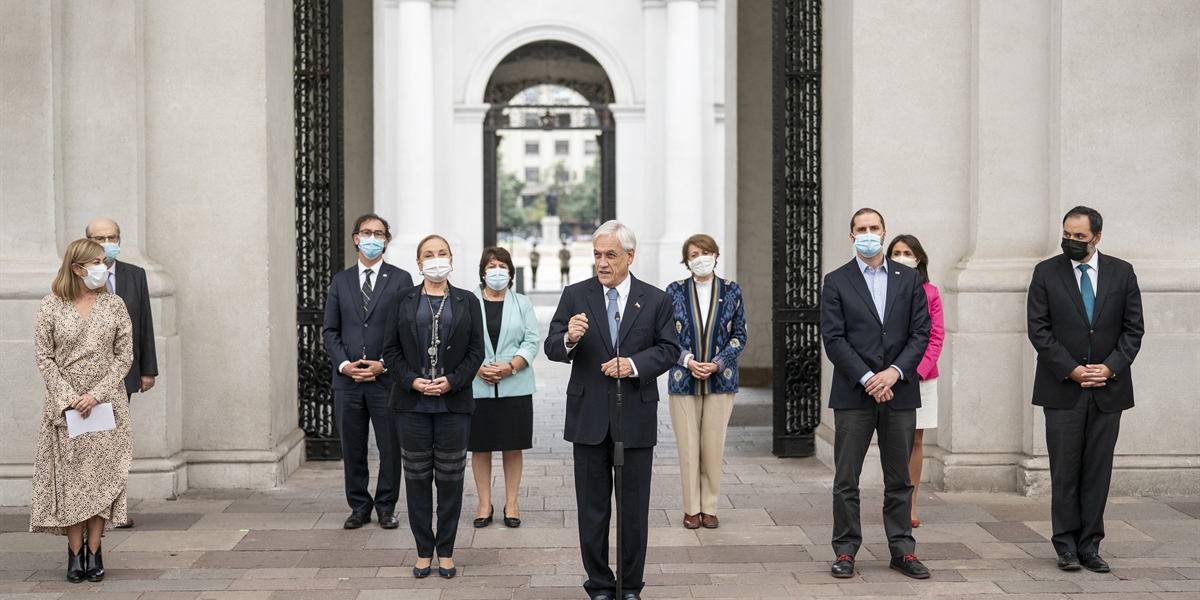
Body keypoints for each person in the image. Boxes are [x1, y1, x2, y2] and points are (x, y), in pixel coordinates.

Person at [545, 220, 680, 600]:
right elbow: (552, 346)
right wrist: (568, 338)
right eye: (597, 255)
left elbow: (669, 348)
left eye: (610, 255)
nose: (602, 263)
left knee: (634, 510)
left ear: (630, 256)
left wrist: (634, 365)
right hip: (587, 419)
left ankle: (631, 585)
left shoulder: (655, 300)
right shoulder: (575, 295)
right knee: (592, 510)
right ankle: (601, 584)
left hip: (634, 416)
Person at [1027, 206, 1143, 573]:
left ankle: (1090, 546)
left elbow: (1133, 329)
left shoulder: (1121, 272)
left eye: (1080, 236)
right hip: (1062, 389)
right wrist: (1073, 370)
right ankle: (1065, 546)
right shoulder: (1046, 272)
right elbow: (1039, 330)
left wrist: (1109, 368)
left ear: (1097, 237)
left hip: (1108, 390)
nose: (1072, 242)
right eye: (1067, 235)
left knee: (1097, 471)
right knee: (1065, 471)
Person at [820, 208, 931, 580]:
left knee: (899, 478)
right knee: (846, 478)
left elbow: (921, 333)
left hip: (898, 391)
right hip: (855, 392)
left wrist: (893, 373)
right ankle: (846, 550)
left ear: (884, 232)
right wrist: (869, 377)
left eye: (874, 228)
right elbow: (833, 339)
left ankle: (902, 551)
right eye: (861, 229)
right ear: (852, 236)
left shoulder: (909, 278)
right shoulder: (836, 281)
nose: (868, 233)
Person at [30, 238, 133, 584]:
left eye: (105, 260)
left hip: (105, 406)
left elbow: (124, 356)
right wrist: (71, 397)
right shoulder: (51, 306)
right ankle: (75, 555)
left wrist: (96, 394)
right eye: (96, 261)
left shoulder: (115, 305)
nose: (103, 267)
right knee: (73, 481)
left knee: (101, 479)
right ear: (77, 268)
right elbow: (44, 357)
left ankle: (95, 548)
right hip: (66, 410)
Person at [382, 235, 485, 579]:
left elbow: (476, 352)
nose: (436, 259)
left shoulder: (468, 301)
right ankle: (423, 550)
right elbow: (390, 350)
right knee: (417, 479)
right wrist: (411, 380)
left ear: (452, 259)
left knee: (451, 480)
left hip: (453, 405)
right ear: (419, 263)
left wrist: (453, 381)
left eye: (441, 253)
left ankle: (447, 551)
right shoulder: (401, 300)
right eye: (429, 254)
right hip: (412, 406)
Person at [322, 214, 414, 530]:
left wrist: (385, 364)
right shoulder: (340, 281)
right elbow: (330, 330)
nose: (372, 238)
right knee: (353, 446)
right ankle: (359, 506)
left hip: (386, 379)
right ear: (355, 238)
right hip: (348, 382)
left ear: (386, 240)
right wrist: (345, 365)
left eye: (379, 233)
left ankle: (386, 506)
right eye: (366, 232)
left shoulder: (401, 280)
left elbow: (407, 330)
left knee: (390, 447)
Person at [664, 234, 747, 530]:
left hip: (721, 380)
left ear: (715, 254)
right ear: (687, 261)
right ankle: (691, 508)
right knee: (687, 447)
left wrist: (717, 363)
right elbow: (666, 336)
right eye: (694, 253)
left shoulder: (732, 290)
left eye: (706, 252)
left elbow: (740, 335)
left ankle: (709, 507)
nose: (701, 257)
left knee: (713, 445)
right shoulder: (673, 292)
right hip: (683, 379)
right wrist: (687, 360)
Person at [85, 219, 156, 530]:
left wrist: (148, 370)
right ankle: (88, 508)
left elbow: (144, 323)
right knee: (89, 443)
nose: (107, 241)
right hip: (85, 380)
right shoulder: (78, 276)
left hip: (122, 375)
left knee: (116, 442)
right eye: (100, 237)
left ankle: (115, 507)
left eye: (112, 236)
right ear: (87, 241)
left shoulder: (134, 275)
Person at [469, 247, 540, 529]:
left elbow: (532, 340)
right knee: (480, 447)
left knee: (513, 446)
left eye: (502, 265)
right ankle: (484, 503)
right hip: (477, 384)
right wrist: (477, 367)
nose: (496, 270)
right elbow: (460, 339)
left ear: (510, 272)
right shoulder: (468, 301)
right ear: (482, 271)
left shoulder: (522, 302)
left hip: (516, 385)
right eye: (491, 265)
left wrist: (511, 366)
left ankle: (512, 502)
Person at [886, 234, 943, 528]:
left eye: (907, 252)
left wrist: (914, 371)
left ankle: (910, 503)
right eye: (895, 252)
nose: (901, 256)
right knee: (894, 441)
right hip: (887, 377)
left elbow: (935, 337)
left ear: (918, 258)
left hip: (919, 377)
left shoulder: (930, 292)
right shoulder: (880, 288)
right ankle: (893, 498)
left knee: (915, 442)